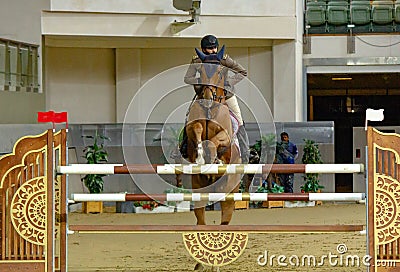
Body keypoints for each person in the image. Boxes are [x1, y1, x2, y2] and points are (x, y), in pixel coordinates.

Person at [182, 34, 249, 162]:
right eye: (209, 48)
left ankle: (246, 152)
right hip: (204, 95)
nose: (212, 51)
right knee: (188, 117)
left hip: (225, 95)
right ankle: (184, 147)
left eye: (214, 48)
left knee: (239, 120)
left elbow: (242, 72)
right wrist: (203, 81)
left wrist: (227, 82)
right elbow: (187, 78)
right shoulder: (197, 61)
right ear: (203, 49)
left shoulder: (224, 59)